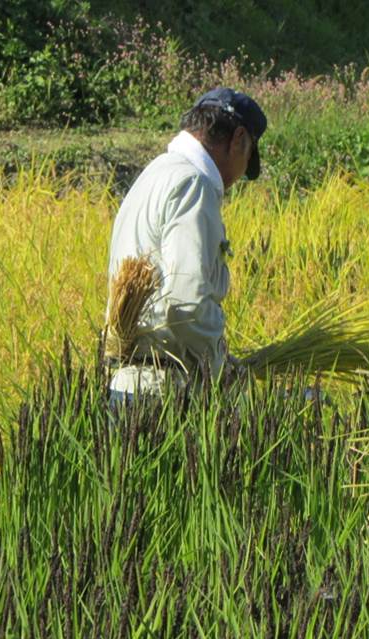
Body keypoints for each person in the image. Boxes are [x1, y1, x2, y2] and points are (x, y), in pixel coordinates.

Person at [105, 87, 267, 402]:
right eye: (248, 157)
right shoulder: (194, 185)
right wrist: (220, 366)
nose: (240, 175)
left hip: (127, 384)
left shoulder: (156, 173)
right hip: (163, 392)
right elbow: (185, 302)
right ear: (238, 139)